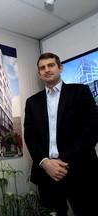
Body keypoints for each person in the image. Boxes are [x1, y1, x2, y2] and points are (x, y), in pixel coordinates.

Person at [24, 52, 98, 216]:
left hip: (79, 169)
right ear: (39, 73)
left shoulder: (80, 92)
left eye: (51, 65)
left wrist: (60, 160)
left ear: (60, 67)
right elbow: (29, 136)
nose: (47, 70)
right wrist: (44, 162)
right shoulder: (32, 102)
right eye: (42, 68)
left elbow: (91, 130)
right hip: (46, 174)